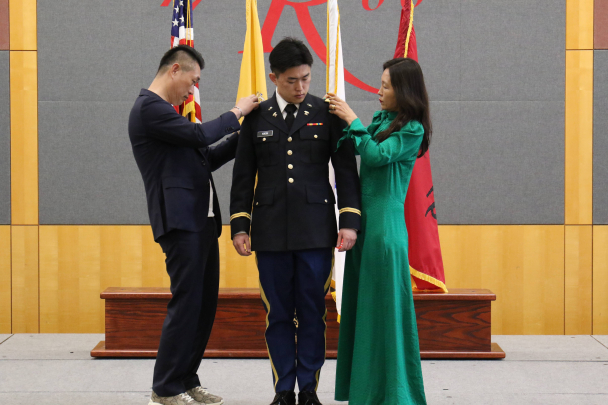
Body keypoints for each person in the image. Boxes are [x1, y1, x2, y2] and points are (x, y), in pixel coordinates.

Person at [230, 37, 361, 405]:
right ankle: (283, 388)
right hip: (269, 232)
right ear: (274, 77)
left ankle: (309, 390)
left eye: (305, 78)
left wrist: (348, 221)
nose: (301, 87)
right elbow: (243, 175)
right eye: (292, 80)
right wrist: (240, 225)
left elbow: (347, 172)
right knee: (278, 315)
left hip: (316, 231)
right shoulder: (256, 117)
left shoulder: (328, 113)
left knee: (313, 312)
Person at [128, 44, 259, 405]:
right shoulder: (149, 108)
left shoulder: (169, 115)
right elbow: (202, 137)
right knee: (187, 302)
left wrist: (244, 135)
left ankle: (186, 379)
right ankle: (166, 387)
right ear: (174, 70)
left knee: (202, 304)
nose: (193, 90)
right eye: (193, 79)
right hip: (180, 221)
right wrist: (238, 111)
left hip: (201, 222)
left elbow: (207, 156)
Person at [327, 58, 431, 405]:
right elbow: (354, 143)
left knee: (384, 312)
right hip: (364, 227)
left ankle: (393, 393)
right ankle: (367, 392)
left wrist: (350, 117)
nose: (379, 90)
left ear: (403, 90)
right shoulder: (381, 120)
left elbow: (374, 155)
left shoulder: (412, 129)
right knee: (364, 309)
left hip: (385, 231)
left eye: (385, 86)